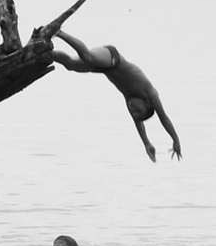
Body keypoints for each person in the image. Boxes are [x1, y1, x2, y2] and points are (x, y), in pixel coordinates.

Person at [52, 30, 183, 162]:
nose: (132, 108)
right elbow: (164, 118)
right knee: (88, 56)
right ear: (147, 103)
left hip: (105, 68)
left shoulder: (131, 101)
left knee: (70, 65)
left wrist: (146, 143)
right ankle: (59, 32)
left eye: (133, 112)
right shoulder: (150, 93)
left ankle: (45, 53)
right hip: (113, 58)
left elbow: (138, 120)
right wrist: (175, 140)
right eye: (137, 109)